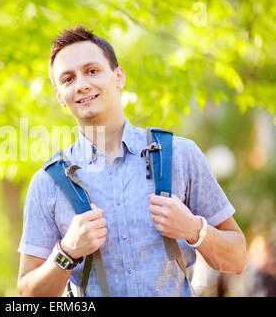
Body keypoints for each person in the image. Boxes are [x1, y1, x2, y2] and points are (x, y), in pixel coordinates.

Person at [17, 26, 247, 297]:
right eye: (68, 79)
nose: (81, 85)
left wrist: (194, 229)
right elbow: (29, 294)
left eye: (92, 71)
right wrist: (67, 252)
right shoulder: (47, 184)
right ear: (60, 97)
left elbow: (238, 258)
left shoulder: (181, 156)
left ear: (118, 76)